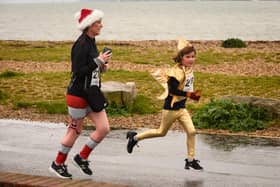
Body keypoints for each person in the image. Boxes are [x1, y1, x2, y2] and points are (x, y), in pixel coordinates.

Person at [49, 8, 112, 179]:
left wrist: (101, 66)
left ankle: (81, 157)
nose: (101, 25)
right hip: (77, 95)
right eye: (98, 23)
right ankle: (58, 163)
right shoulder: (81, 44)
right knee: (74, 131)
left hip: (92, 94)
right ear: (89, 25)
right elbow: (77, 71)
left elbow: (90, 67)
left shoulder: (91, 41)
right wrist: (97, 61)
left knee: (104, 128)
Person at [126, 38, 203, 171]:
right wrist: (190, 95)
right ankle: (135, 137)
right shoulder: (175, 73)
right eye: (188, 57)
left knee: (192, 131)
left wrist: (191, 93)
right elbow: (173, 90)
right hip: (171, 109)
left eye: (193, 56)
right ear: (181, 58)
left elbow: (186, 86)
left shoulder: (188, 69)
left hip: (182, 108)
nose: (191, 59)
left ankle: (190, 160)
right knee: (161, 132)